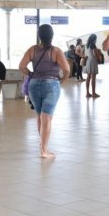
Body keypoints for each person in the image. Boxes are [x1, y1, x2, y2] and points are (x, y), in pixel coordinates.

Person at [19, 24, 69, 158]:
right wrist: (63, 80)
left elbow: (22, 66)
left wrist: (31, 74)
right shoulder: (56, 51)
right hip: (51, 84)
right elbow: (67, 70)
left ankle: (42, 144)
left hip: (34, 85)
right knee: (47, 117)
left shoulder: (32, 50)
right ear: (52, 36)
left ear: (39, 36)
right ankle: (44, 150)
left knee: (40, 115)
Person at [83, 34, 100, 98]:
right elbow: (95, 54)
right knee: (93, 78)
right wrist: (99, 53)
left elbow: (86, 54)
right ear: (94, 39)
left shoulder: (87, 45)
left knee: (88, 77)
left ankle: (87, 93)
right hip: (93, 61)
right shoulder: (93, 44)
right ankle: (93, 93)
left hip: (88, 61)